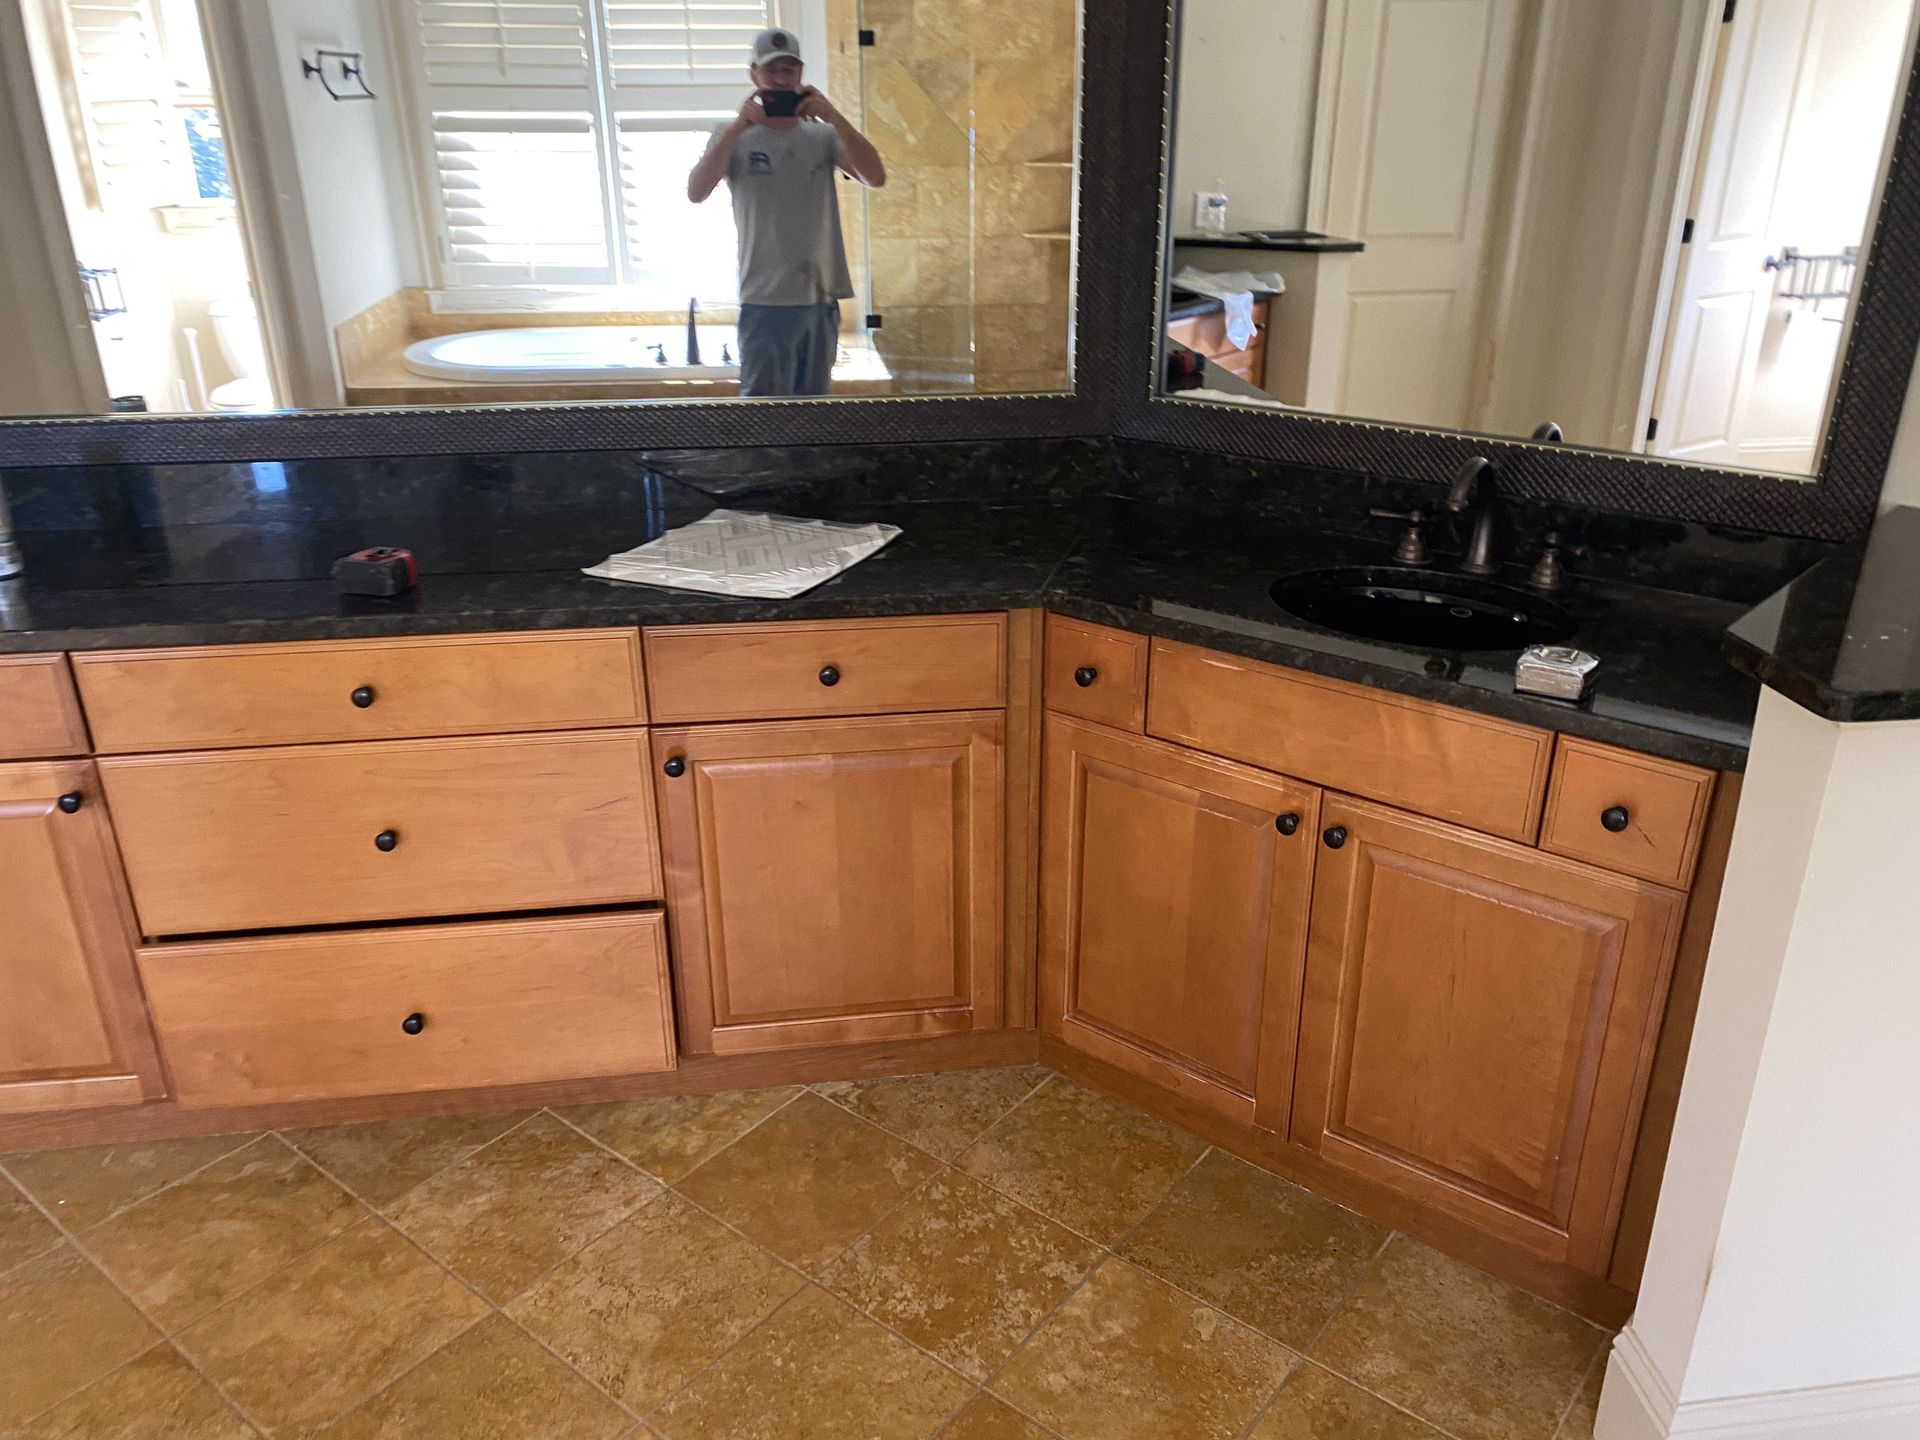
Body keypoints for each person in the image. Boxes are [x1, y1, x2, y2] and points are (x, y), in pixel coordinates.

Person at [687, 28, 886, 397]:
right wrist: (736, 128)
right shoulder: (730, 135)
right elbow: (697, 192)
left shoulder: (823, 137)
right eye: (772, 70)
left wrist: (833, 115)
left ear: (800, 74)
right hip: (764, 301)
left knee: (813, 413)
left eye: (789, 71)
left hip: (819, 299)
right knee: (764, 419)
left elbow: (875, 177)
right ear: (754, 75)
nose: (781, 79)